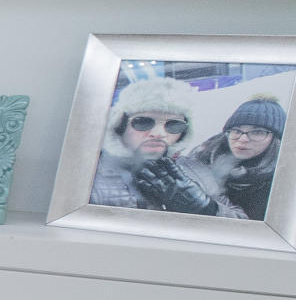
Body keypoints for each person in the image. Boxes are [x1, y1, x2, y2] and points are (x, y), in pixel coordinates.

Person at [90, 76, 224, 214]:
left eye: (174, 125)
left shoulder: (197, 171)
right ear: (120, 125)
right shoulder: (90, 173)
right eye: (143, 122)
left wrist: (205, 207)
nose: (159, 133)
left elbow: (238, 221)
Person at [187, 95, 282, 223]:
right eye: (236, 131)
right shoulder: (200, 161)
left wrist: (207, 207)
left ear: (275, 140)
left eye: (257, 132)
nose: (243, 139)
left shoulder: (279, 185)